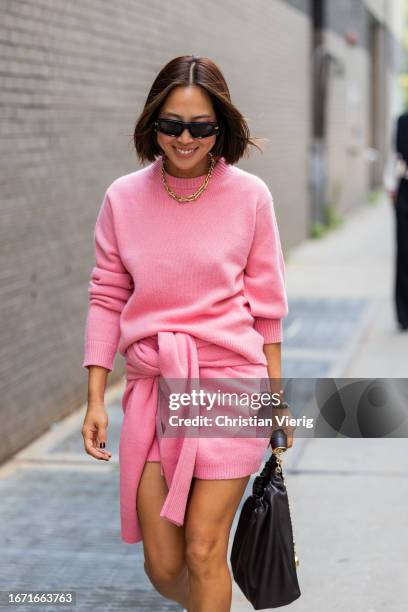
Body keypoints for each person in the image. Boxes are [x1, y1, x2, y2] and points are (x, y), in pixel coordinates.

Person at [81, 55, 291, 611]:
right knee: (166, 564)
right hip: (154, 391)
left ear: (220, 128)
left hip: (229, 383)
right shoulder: (123, 198)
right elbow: (106, 296)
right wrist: (96, 397)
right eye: (172, 124)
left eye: (201, 127)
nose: (185, 138)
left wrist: (275, 401)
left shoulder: (250, 197)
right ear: (153, 123)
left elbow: (267, 309)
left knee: (203, 548)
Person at [385, 111, 408, 330]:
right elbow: (396, 155)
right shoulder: (402, 121)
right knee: (404, 253)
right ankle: (403, 314)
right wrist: (391, 185)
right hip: (405, 193)